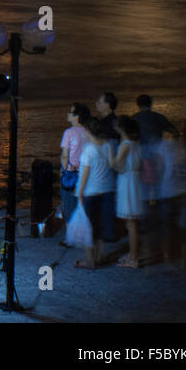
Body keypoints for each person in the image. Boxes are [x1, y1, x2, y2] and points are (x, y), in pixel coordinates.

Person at [75, 118, 117, 270]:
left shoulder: (88, 150)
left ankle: (90, 260)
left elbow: (84, 175)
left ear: (88, 131)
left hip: (90, 193)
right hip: (107, 190)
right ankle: (100, 256)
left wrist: (79, 194)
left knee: (89, 228)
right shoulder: (108, 145)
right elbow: (113, 166)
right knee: (101, 226)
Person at [112, 117, 144, 268]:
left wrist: (107, 155)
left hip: (127, 183)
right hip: (134, 181)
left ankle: (134, 258)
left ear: (121, 128)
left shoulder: (125, 145)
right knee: (131, 223)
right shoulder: (136, 144)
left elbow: (116, 164)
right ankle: (132, 254)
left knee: (130, 224)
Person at [155, 128, 186, 267]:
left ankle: (166, 255)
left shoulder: (164, 146)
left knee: (166, 225)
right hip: (185, 192)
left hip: (167, 190)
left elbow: (158, 167)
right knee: (183, 227)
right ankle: (183, 260)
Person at [94, 93, 121, 241]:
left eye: (99, 101)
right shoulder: (114, 122)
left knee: (106, 198)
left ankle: (108, 232)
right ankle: (109, 230)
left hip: (105, 166)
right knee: (109, 198)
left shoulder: (107, 124)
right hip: (111, 165)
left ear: (108, 105)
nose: (96, 104)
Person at [59, 103, 91, 230]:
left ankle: (70, 237)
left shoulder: (69, 132)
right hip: (85, 172)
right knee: (83, 204)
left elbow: (65, 155)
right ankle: (85, 232)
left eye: (70, 112)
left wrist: (62, 171)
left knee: (68, 205)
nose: (68, 114)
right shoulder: (88, 131)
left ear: (77, 116)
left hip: (71, 173)